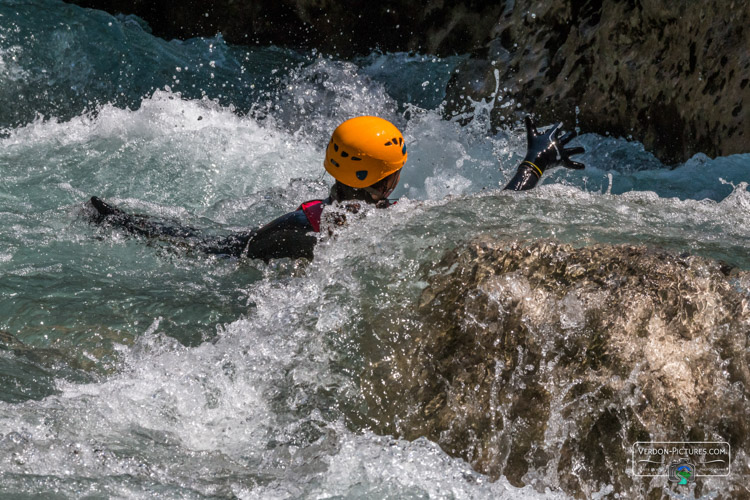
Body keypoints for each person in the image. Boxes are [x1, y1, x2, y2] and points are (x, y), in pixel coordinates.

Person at [89, 115, 584, 261]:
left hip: (257, 254)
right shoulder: (396, 220)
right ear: (390, 177)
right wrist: (536, 163)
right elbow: (496, 212)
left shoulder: (296, 222)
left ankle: (113, 219)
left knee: (204, 243)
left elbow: (213, 248)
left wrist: (127, 222)